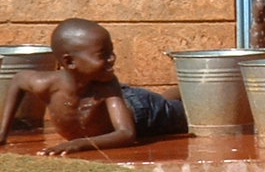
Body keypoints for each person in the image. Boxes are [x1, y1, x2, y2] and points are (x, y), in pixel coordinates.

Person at [0, 19, 186, 155]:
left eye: (111, 52)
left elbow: (126, 133)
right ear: (70, 62)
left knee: (186, 114)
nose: (112, 59)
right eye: (102, 55)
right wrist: (3, 133)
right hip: (125, 99)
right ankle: (179, 91)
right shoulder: (45, 85)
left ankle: (185, 91)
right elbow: (18, 79)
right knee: (161, 100)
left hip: (143, 112)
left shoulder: (107, 85)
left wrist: (79, 144)